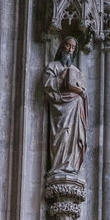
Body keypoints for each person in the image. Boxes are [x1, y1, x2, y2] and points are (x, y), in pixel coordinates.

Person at [42, 36, 88, 177]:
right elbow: (46, 85)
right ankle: (58, 165)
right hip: (60, 110)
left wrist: (81, 92)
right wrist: (61, 78)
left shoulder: (76, 71)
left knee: (73, 137)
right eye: (68, 46)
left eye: (73, 47)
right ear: (62, 46)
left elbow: (83, 90)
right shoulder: (53, 66)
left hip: (75, 110)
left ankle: (71, 164)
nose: (70, 50)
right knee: (63, 136)